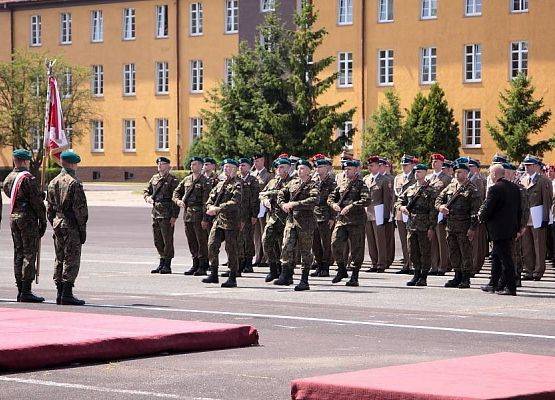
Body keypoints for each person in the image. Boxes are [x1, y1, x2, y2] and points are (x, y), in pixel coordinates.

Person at [3, 149, 47, 302]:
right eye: (27, 161)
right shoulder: (27, 178)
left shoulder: (9, 178)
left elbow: (12, 194)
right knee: (29, 253)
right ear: (23, 161)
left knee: (18, 252)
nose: (29, 163)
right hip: (27, 218)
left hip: (14, 216)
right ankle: (26, 291)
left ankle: (20, 288)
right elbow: (36, 202)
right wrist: (43, 219)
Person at [46, 151, 88, 305]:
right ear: (71, 164)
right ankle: (67, 293)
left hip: (58, 222)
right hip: (71, 224)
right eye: (76, 163)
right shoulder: (74, 183)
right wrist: (82, 229)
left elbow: (49, 209)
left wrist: (54, 221)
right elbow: (80, 210)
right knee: (71, 258)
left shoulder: (53, 182)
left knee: (59, 257)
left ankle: (59, 292)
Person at [478, 164, 524, 296]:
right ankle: (494, 284)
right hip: (511, 228)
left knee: (506, 258)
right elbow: (519, 210)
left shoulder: (495, 188)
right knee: (496, 257)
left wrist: (481, 217)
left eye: (490, 174)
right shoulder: (515, 188)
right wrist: (518, 227)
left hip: (498, 230)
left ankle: (510, 287)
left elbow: (488, 208)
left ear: (494, 174)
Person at [275, 159, 319, 291]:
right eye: (299, 168)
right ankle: (286, 275)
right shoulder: (292, 183)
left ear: (309, 171)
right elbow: (281, 194)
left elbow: (314, 199)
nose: (300, 171)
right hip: (291, 221)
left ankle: (304, 280)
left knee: (305, 251)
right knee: (287, 246)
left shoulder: (313, 185)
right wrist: (283, 204)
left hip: (305, 222)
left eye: (303, 168)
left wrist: (294, 204)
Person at [435, 162, 481, 289]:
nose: (457, 174)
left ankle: (466, 278)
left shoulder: (472, 188)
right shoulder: (450, 186)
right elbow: (439, 199)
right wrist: (441, 207)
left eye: (460, 172)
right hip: (451, 225)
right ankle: (457, 275)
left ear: (466, 174)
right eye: (455, 172)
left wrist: (472, 228)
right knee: (453, 251)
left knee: (465, 251)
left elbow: (475, 211)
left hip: (464, 226)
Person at [328, 159, 369, 286]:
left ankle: (355, 276)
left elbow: (366, 200)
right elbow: (330, 197)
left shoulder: (361, 184)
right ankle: (341, 270)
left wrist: (351, 206)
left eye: (349, 169)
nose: (346, 171)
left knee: (357, 249)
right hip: (342, 220)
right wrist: (333, 204)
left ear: (356, 170)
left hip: (356, 221)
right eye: (345, 169)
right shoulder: (341, 184)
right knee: (335, 243)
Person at [203, 159, 243, 288]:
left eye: (229, 167)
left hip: (231, 222)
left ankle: (232, 276)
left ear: (235, 169)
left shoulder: (238, 184)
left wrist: (218, 208)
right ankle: (214, 273)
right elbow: (210, 198)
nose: (226, 169)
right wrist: (209, 207)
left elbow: (235, 202)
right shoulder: (220, 184)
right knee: (212, 244)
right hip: (218, 220)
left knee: (231, 249)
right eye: (225, 167)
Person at [396, 164, 437, 286]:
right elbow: (398, 201)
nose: (416, 174)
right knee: (412, 251)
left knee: (424, 251)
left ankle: (423, 276)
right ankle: (416, 274)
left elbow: (433, 211)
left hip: (424, 225)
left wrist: (431, 228)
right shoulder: (411, 189)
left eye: (419, 172)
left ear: (425, 173)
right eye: (415, 172)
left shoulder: (431, 190)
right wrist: (402, 207)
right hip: (411, 224)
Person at [173, 156, 212, 276]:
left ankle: (203, 265)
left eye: (195, 164)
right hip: (188, 215)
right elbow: (176, 192)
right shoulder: (186, 180)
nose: (192, 166)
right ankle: (195, 263)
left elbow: (207, 202)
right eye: (191, 164)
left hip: (200, 215)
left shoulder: (205, 181)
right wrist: (178, 201)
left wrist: (206, 219)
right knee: (191, 240)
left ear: (200, 166)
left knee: (202, 241)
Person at [520, 155, 553, 281]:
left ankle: (538, 271)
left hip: (538, 217)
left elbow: (547, 201)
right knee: (527, 245)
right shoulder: (523, 180)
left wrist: (546, 218)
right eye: (525, 165)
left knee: (539, 245)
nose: (526, 167)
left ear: (535, 166)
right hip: (526, 218)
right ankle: (528, 269)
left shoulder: (543, 181)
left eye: (529, 165)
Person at [144, 157, 179, 274]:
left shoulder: (173, 180)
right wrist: (148, 198)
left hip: (167, 214)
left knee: (167, 240)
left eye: (162, 163)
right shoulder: (154, 178)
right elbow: (146, 191)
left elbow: (175, 199)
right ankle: (161, 261)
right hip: (155, 213)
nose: (159, 165)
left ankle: (167, 264)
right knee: (157, 240)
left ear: (168, 166)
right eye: (158, 163)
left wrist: (174, 216)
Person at [260, 157, 292, 283]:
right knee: (266, 241)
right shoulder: (272, 181)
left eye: (282, 167)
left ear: (288, 168)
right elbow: (262, 194)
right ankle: (273, 269)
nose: (279, 169)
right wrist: (265, 200)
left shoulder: (293, 182)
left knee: (285, 246)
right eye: (278, 167)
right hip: (273, 218)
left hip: (287, 218)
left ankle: (286, 273)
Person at [229, 157, 260, 276]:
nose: (242, 167)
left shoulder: (253, 180)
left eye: (244, 165)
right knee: (238, 239)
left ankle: (248, 262)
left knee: (248, 239)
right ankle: (239, 262)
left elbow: (255, 199)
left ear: (249, 167)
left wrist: (254, 215)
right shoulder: (235, 179)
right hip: (236, 215)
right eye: (240, 165)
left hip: (247, 214)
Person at [364, 156, 393, 273]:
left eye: (372, 165)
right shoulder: (366, 179)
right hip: (367, 212)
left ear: (378, 166)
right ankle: (374, 263)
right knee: (371, 240)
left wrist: (386, 215)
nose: (370, 168)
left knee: (380, 240)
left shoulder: (384, 180)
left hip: (379, 212)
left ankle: (382, 263)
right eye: (369, 166)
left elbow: (387, 199)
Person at [427, 153, 452, 276]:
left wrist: (445, 212)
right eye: (433, 161)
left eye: (436, 161)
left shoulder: (447, 178)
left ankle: (443, 266)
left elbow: (448, 197)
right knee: (432, 240)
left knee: (442, 240)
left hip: (440, 212)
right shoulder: (428, 178)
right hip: (430, 213)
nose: (434, 163)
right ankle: (434, 266)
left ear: (442, 163)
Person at [311, 157, 336, 278]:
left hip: (326, 216)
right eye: (317, 167)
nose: (318, 169)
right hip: (314, 216)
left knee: (326, 243)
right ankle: (319, 265)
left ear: (327, 168)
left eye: (321, 167)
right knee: (315, 244)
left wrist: (332, 217)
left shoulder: (332, 182)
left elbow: (334, 200)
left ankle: (325, 267)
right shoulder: (314, 182)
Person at [393, 154, 417, 274]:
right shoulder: (397, 178)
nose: (404, 167)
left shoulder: (416, 177)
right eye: (402, 165)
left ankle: (414, 264)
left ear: (412, 165)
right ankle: (406, 264)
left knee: (412, 239)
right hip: (400, 211)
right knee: (403, 240)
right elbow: (396, 197)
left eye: (406, 165)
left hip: (411, 211)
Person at [251, 154, 273, 269]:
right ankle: (258, 256)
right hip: (254, 208)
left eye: (258, 161)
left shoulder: (268, 175)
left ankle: (266, 257)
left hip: (263, 207)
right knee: (256, 234)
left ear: (263, 161)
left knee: (265, 232)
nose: (256, 163)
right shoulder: (252, 175)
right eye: (255, 161)